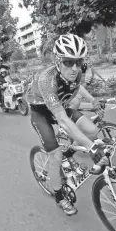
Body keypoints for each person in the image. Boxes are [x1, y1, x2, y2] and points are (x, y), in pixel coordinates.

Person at [27, 33, 108, 216]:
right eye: (68, 62)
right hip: (41, 113)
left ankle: (69, 150)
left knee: (92, 130)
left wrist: (93, 101)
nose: (74, 68)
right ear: (57, 61)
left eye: (78, 62)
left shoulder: (78, 72)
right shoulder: (47, 80)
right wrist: (91, 148)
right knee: (56, 157)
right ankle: (59, 197)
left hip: (60, 106)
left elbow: (78, 87)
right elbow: (62, 119)